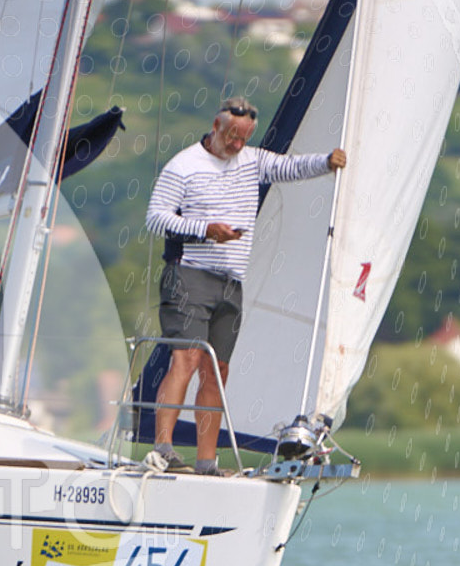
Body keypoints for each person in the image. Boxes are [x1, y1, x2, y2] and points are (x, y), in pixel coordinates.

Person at [144, 97, 346, 475]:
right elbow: (155, 218)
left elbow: (289, 167)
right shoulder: (184, 165)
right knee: (186, 359)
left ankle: (206, 461)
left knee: (217, 370)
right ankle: (163, 448)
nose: (237, 145)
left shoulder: (252, 160)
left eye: (244, 138)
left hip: (231, 282)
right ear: (216, 126)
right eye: (232, 137)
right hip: (188, 274)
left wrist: (326, 162)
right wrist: (206, 230)